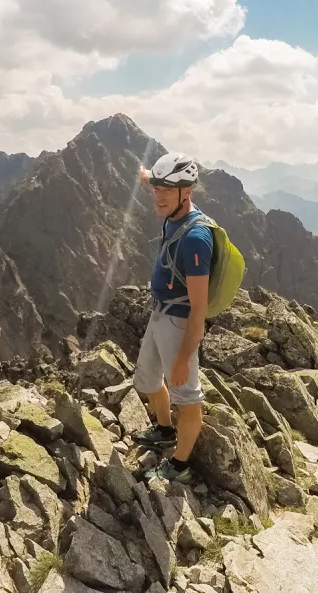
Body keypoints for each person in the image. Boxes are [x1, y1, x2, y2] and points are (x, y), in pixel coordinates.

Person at [131, 152, 210, 484]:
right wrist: (146, 175)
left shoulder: (195, 239)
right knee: (147, 378)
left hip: (179, 322)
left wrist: (183, 358)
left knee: (187, 398)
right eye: (157, 188)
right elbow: (155, 182)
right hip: (159, 314)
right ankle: (164, 430)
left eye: (167, 190)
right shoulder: (174, 207)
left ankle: (179, 465)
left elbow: (199, 308)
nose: (159, 196)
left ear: (186, 192)